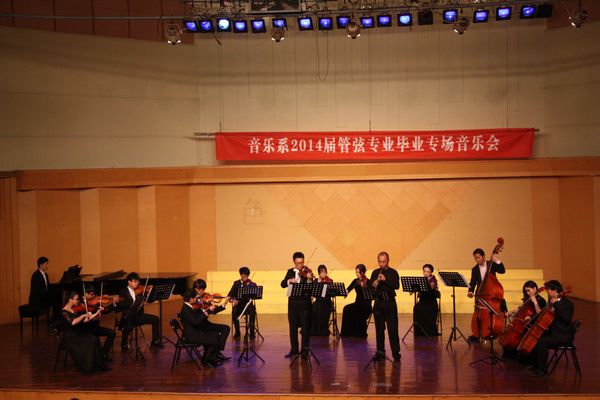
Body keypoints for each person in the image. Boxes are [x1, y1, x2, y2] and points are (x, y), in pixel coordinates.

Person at [531, 280, 574, 377]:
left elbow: (566, 319)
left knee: (542, 342)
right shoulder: (551, 301)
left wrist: (555, 304)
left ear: (555, 291)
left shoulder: (568, 304)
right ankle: (536, 365)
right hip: (554, 332)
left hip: (562, 336)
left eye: (548, 290)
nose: (547, 292)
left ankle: (542, 370)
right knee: (536, 336)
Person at [60, 291, 109, 373]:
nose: (78, 301)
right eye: (76, 299)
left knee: (95, 339)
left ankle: (98, 365)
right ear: (70, 300)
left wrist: (97, 312)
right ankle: (88, 366)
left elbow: (85, 320)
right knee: (91, 340)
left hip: (77, 333)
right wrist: (83, 315)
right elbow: (73, 322)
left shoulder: (73, 309)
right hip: (71, 337)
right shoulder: (64, 311)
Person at [467, 247, 506, 341]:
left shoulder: (491, 264)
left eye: (478, 257)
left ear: (483, 256)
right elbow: (473, 282)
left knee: (490, 313)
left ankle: (491, 330)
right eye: (475, 258)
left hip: (491, 294)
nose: (477, 260)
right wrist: (470, 291)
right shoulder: (475, 269)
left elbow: (502, 271)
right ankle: (477, 333)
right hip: (480, 294)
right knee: (478, 314)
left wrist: (497, 260)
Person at [116, 272, 162, 350]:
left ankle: (154, 341)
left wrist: (152, 294)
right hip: (128, 317)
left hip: (139, 316)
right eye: (135, 281)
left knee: (155, 319)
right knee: (128, 325)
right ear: (129, 282)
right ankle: (124, 343)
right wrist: (132, 303)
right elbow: (121, 306)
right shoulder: (123, 292)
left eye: (138, 281)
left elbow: (149, 301)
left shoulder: (141, 291)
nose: (137, 283)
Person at [179, 288, 223, 367]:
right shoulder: (186, 309)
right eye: (195, 298)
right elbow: (196, 322)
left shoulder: (188, 306)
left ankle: (210, 359)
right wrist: (207, 312)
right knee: (215, 339)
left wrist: (205, 310)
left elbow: (196, 318)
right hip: (192, 336)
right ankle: (206, 361)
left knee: (216, 335)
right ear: (191, 299)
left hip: (195, 331)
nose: (197, 299)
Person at [280, 251, 313, 359]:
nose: (300, 265)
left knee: (305, 328)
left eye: (302, 262)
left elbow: (311, 288)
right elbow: (282, 284)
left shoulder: (307, 271)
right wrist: (290, 280)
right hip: (293, 304)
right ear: (294, 262)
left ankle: (304, 351)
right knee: (293, 328)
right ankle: (294, 349)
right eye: (298, 263)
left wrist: (309, 279)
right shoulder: (290, 271)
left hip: (304, 303)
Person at [369, 251, 401, 362]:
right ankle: (380, 352)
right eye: (380, 261)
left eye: (384, 261)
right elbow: (370, 287)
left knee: (393, 329)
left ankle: (396, 353)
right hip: (378, 304)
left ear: (388, 261)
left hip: (390, 304)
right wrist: (374, 284)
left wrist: (385, 279)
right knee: (379, 330)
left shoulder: (393, 272)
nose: (381, 264)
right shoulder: (375, 272)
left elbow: (396, 286)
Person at [192, 279, 231, 361]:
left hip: (205, 324)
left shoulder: (204, 297)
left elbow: (214, 312)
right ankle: (214, 354)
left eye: (204, 289)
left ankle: (217, 351)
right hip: (199, 327)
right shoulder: (192, 299)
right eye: (202, 289)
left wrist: (224, 303)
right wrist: (206, 303)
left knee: (226, 328)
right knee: (215, 335)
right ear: (196, 289)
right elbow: (198, 306)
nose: (204, 292)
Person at [341, 264, 372, 338]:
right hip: (357, 303)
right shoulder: (355, 281)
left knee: (360, 311)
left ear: (363, 272)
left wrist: (364, 287)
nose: (357, 274)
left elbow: (371, 295)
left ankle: (360, 332)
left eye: (358, 272)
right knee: (347, 308)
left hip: (366, 305)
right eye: (356, 272)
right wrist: (344, 292)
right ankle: (348, 332)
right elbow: (348, 289)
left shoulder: (368, 282)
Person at [227, 266, 257, 339]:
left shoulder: (251, 284)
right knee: (234, 312)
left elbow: (255, 295)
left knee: (252, 313)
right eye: (243, 275)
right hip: (239, 305)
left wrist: (251, 286)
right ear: (240, 275)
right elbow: (230, 296)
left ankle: (252, 332)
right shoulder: (236, 283)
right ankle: (237, 332)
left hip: (248, 305)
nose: (245, 277)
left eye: (246, 276)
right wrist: (233, 300)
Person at [413, 264, 440, 336]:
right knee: (416, 308)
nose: (426, 273)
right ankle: (419, 331)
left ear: (431, 272)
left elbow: (433, 286)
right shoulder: (421, 280)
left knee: (427, 309)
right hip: (422, 301)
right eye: (424, 271)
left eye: (428, 272)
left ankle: (429, 331)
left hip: (431, 302)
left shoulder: (433, 279)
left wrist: (429, 282)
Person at [310, 264, 333, 336]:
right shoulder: (316, 281)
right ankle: (315, 330)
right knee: (313, 307)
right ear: (319, 274)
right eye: (321, 272)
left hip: (327, 302)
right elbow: (312, 292)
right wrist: (318, 283)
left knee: (320, 307)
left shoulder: (329, 281)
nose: (323, 274)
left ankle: (322, 330)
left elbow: (331, 293)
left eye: (324, 272)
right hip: (318, 301)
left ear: (326, 272)